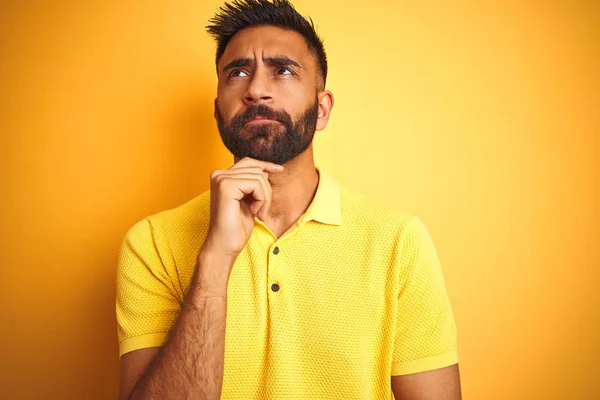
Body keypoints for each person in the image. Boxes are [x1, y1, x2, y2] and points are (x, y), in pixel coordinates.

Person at [116, 0, 461, 398]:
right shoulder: (152, 244)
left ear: (322, 110)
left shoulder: (399, 242)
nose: (256, 89)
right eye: (238, 72)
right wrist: (215, 258)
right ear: (217, 111)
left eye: (282, 71)